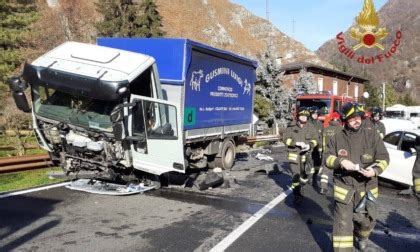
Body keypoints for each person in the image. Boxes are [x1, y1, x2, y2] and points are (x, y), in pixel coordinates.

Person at [324, 102, 389, 251]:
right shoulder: (337, 137)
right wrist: (340, 161)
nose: (356, 120)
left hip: (367, 188)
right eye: (352, 118)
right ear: (345, 120)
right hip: (344, 187)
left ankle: (362, 235)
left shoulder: (372, 135)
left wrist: (375, 171)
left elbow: (384, 157)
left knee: (367, 222)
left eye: (358, 117)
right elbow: (326, 158)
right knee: (343, 225)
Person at [284, 107, 319, 204]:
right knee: (296, 175)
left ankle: (302, 184)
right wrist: (296, 143)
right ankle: (297, 194)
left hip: (306, 155)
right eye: (302, 116)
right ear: (298, 116)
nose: (304, 118)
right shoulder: (291, 126)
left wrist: (310, 145)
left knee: (305, 175)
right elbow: (285, 140)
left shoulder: (311, 127)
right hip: (294, 154)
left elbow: (316, 139)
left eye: (306, 116)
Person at [319, 111, 342, 195]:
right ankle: (336, 188)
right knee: (337, 172)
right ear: (338, 119)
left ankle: (323, 188)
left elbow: (321, 141)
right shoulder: (341, 129)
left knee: (325, 171)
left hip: (326, 153)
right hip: (337, 154)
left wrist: (321, 151)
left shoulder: (326, 128)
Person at [308, 106, 323, 187]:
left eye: (316, 114)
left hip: (317, 148)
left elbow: (322, 136)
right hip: (308, 147)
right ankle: (309, 178)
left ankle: (314, 178)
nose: (315, 115)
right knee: (310, 164)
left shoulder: (320, 124)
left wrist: (322, 147)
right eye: (313, 114)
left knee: (318, 164)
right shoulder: (307, 123)